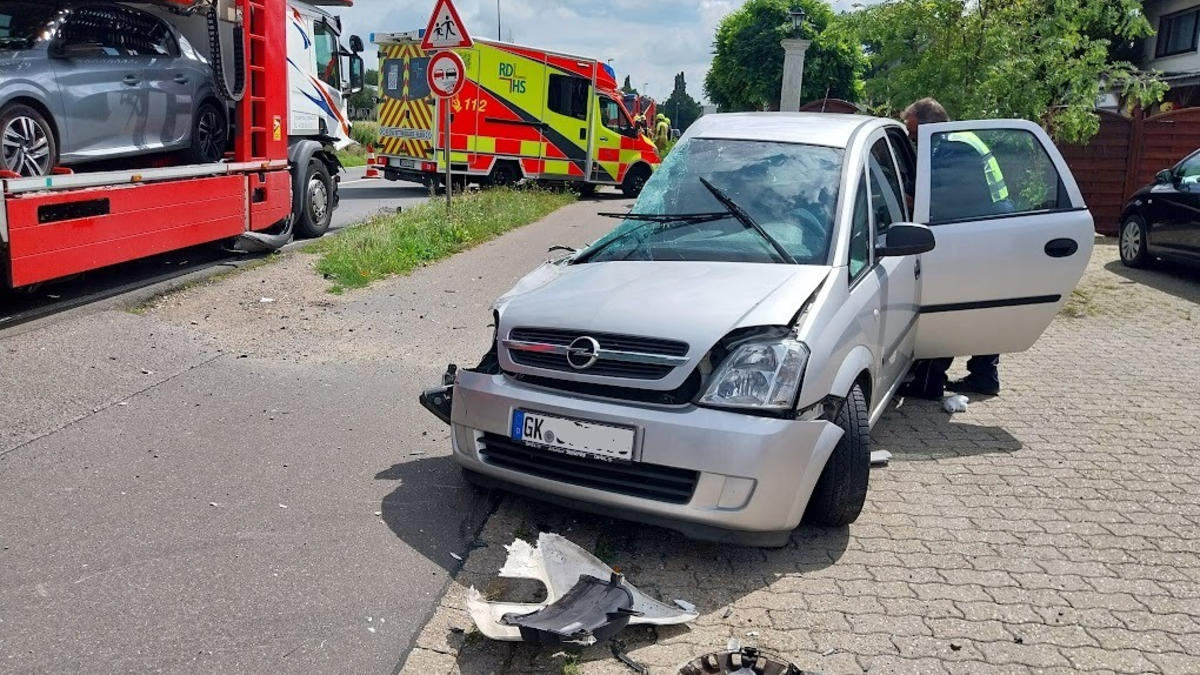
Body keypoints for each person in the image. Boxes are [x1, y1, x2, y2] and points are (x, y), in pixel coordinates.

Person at [896, 97, 1004, 400]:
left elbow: (947, 202)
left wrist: (904, 201)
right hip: (986, 232)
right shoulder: (957, 141)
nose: (911, 138)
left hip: (976, 236)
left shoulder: (955, 149)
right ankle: (984, 376)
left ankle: (930, 381)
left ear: (929, 124)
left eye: (913, 131)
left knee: (947, 304)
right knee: (980, 308)